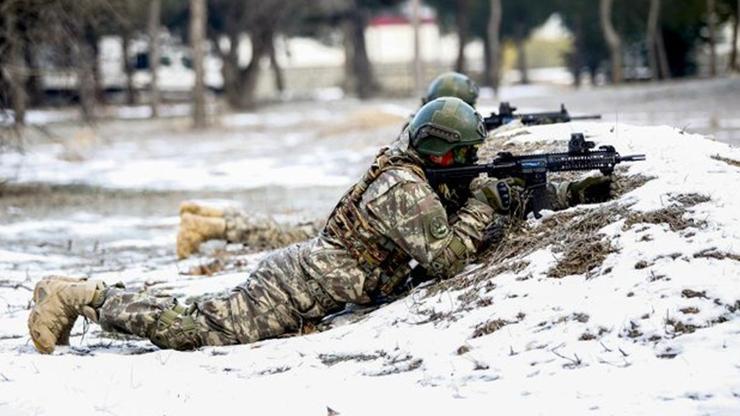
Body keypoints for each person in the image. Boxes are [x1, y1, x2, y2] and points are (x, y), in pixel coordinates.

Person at [28, 97, 613, 353]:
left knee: (197, 313)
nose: (466, 167)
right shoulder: (401, 187)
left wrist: (560, 189)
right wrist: (486, 201)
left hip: (310, 279)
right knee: (198, 330)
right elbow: (449, 257)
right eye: (461, 156)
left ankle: (91, 295)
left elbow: (478, 186)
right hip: (294, 286)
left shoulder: (419, 169)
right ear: (441, 154)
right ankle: (81, 296)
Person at [176, 72, 483, 259]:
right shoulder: (423, 139)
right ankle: (211, 225)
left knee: (288, 228)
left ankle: (213, 216)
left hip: (365, 211)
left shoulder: (418, 129)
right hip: (363, 221)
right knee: (284, 233)